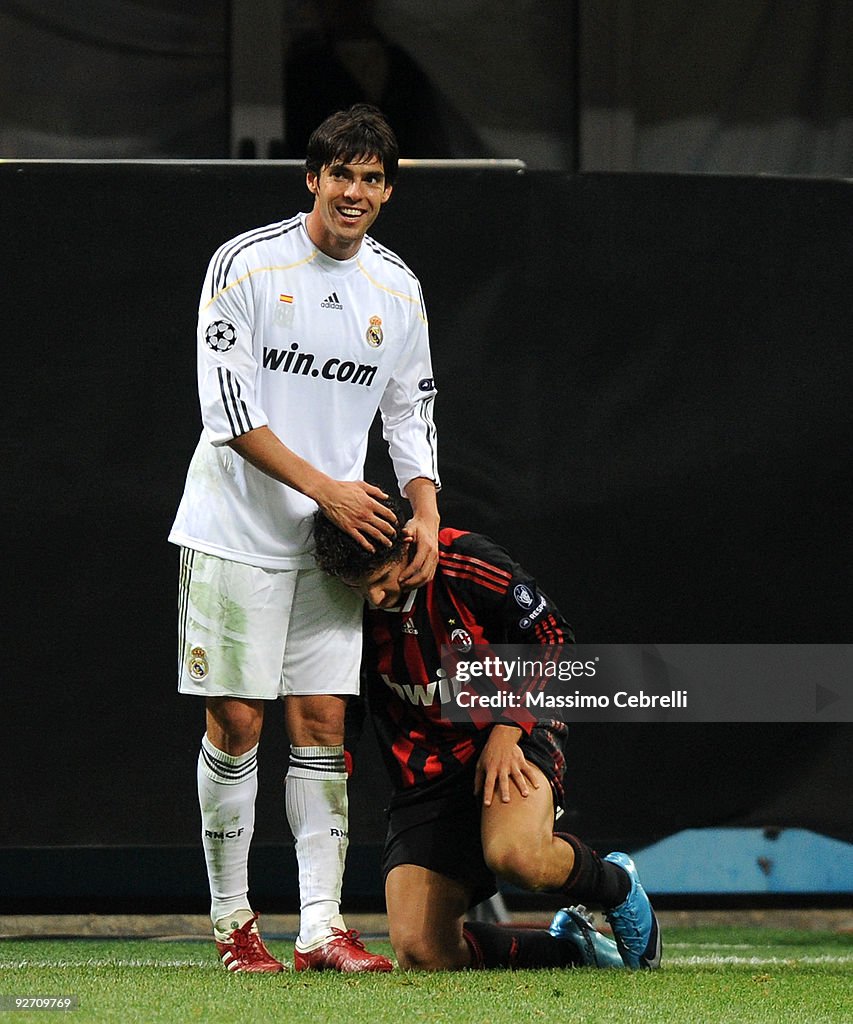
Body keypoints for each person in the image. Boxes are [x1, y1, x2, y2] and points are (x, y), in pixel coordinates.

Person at [169, 104, 440, 973]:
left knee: (323, 721)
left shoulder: (397, 289)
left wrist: (424, 510)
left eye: (372, 179)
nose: (354, 192)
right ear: (312, 177)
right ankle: (232, 923)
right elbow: (229, 411)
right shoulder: (246, 264)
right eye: (341, 174)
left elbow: (411, 410)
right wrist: (327, 489)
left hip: (336, 542)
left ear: (387, 191)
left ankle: (322, 926)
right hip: (239, 526)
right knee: (238, 722)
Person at [312, 501, 662, 972]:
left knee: (517, 856)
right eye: (360, 587)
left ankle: (615, 883)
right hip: (427, 775)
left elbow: (555, 638)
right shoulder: (338, 606)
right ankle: (571, 950)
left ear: (405, 544)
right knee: (421, 950)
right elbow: (344, 700)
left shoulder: (465, 561)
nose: (375, 598)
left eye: (382, 578)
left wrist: (508, 726)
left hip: (512, 736)